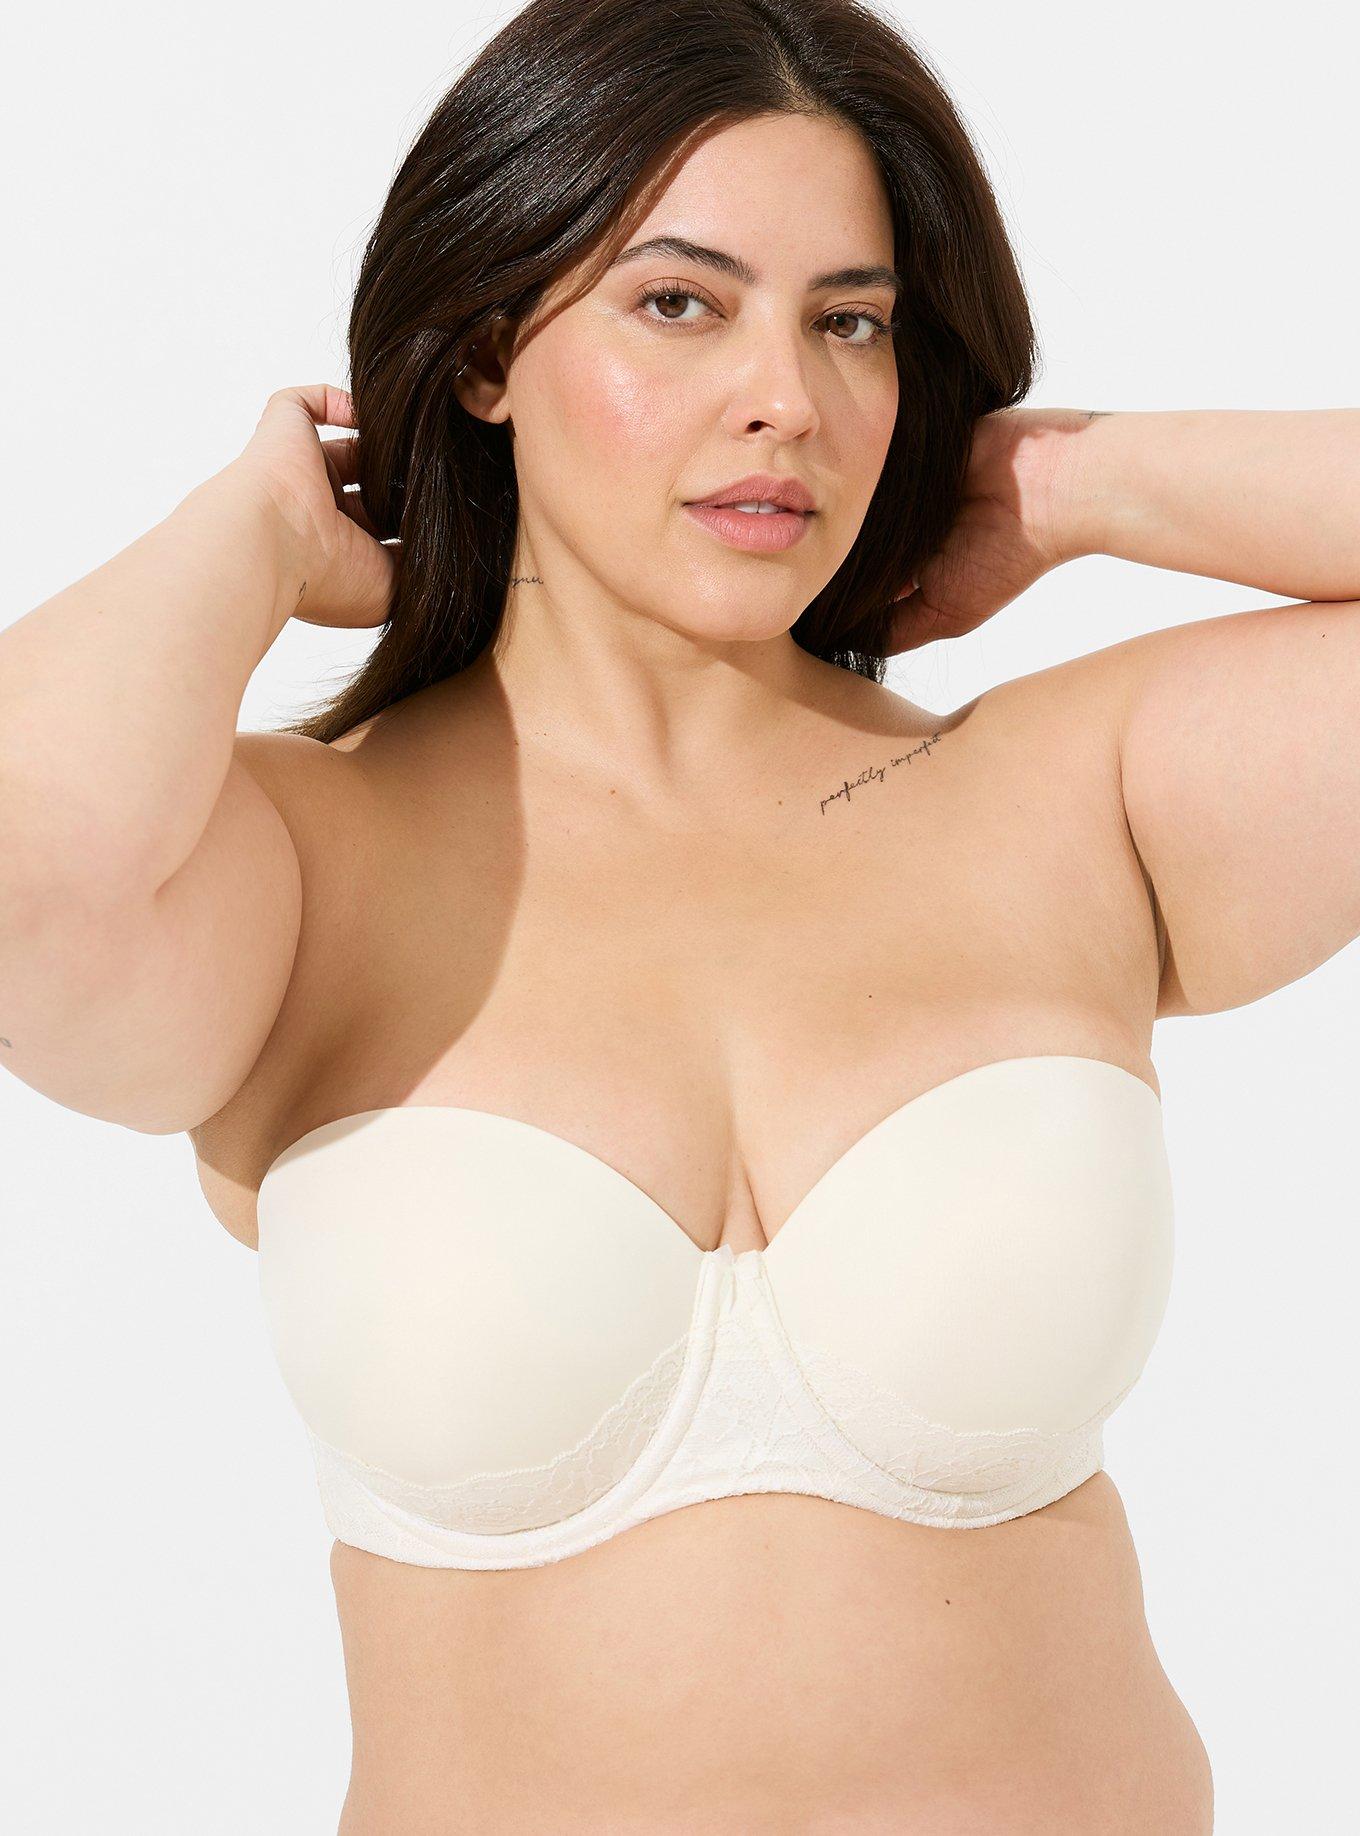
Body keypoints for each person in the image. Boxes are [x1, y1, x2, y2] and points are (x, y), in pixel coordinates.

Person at [5, 1, 1358, 1829]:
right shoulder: (299, 872)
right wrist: (255, 529)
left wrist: (1071, 482)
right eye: (679, 303)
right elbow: (28, 874)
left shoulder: (1066, 800)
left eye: (850, 321)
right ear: (489, 351)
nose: (786, 397)